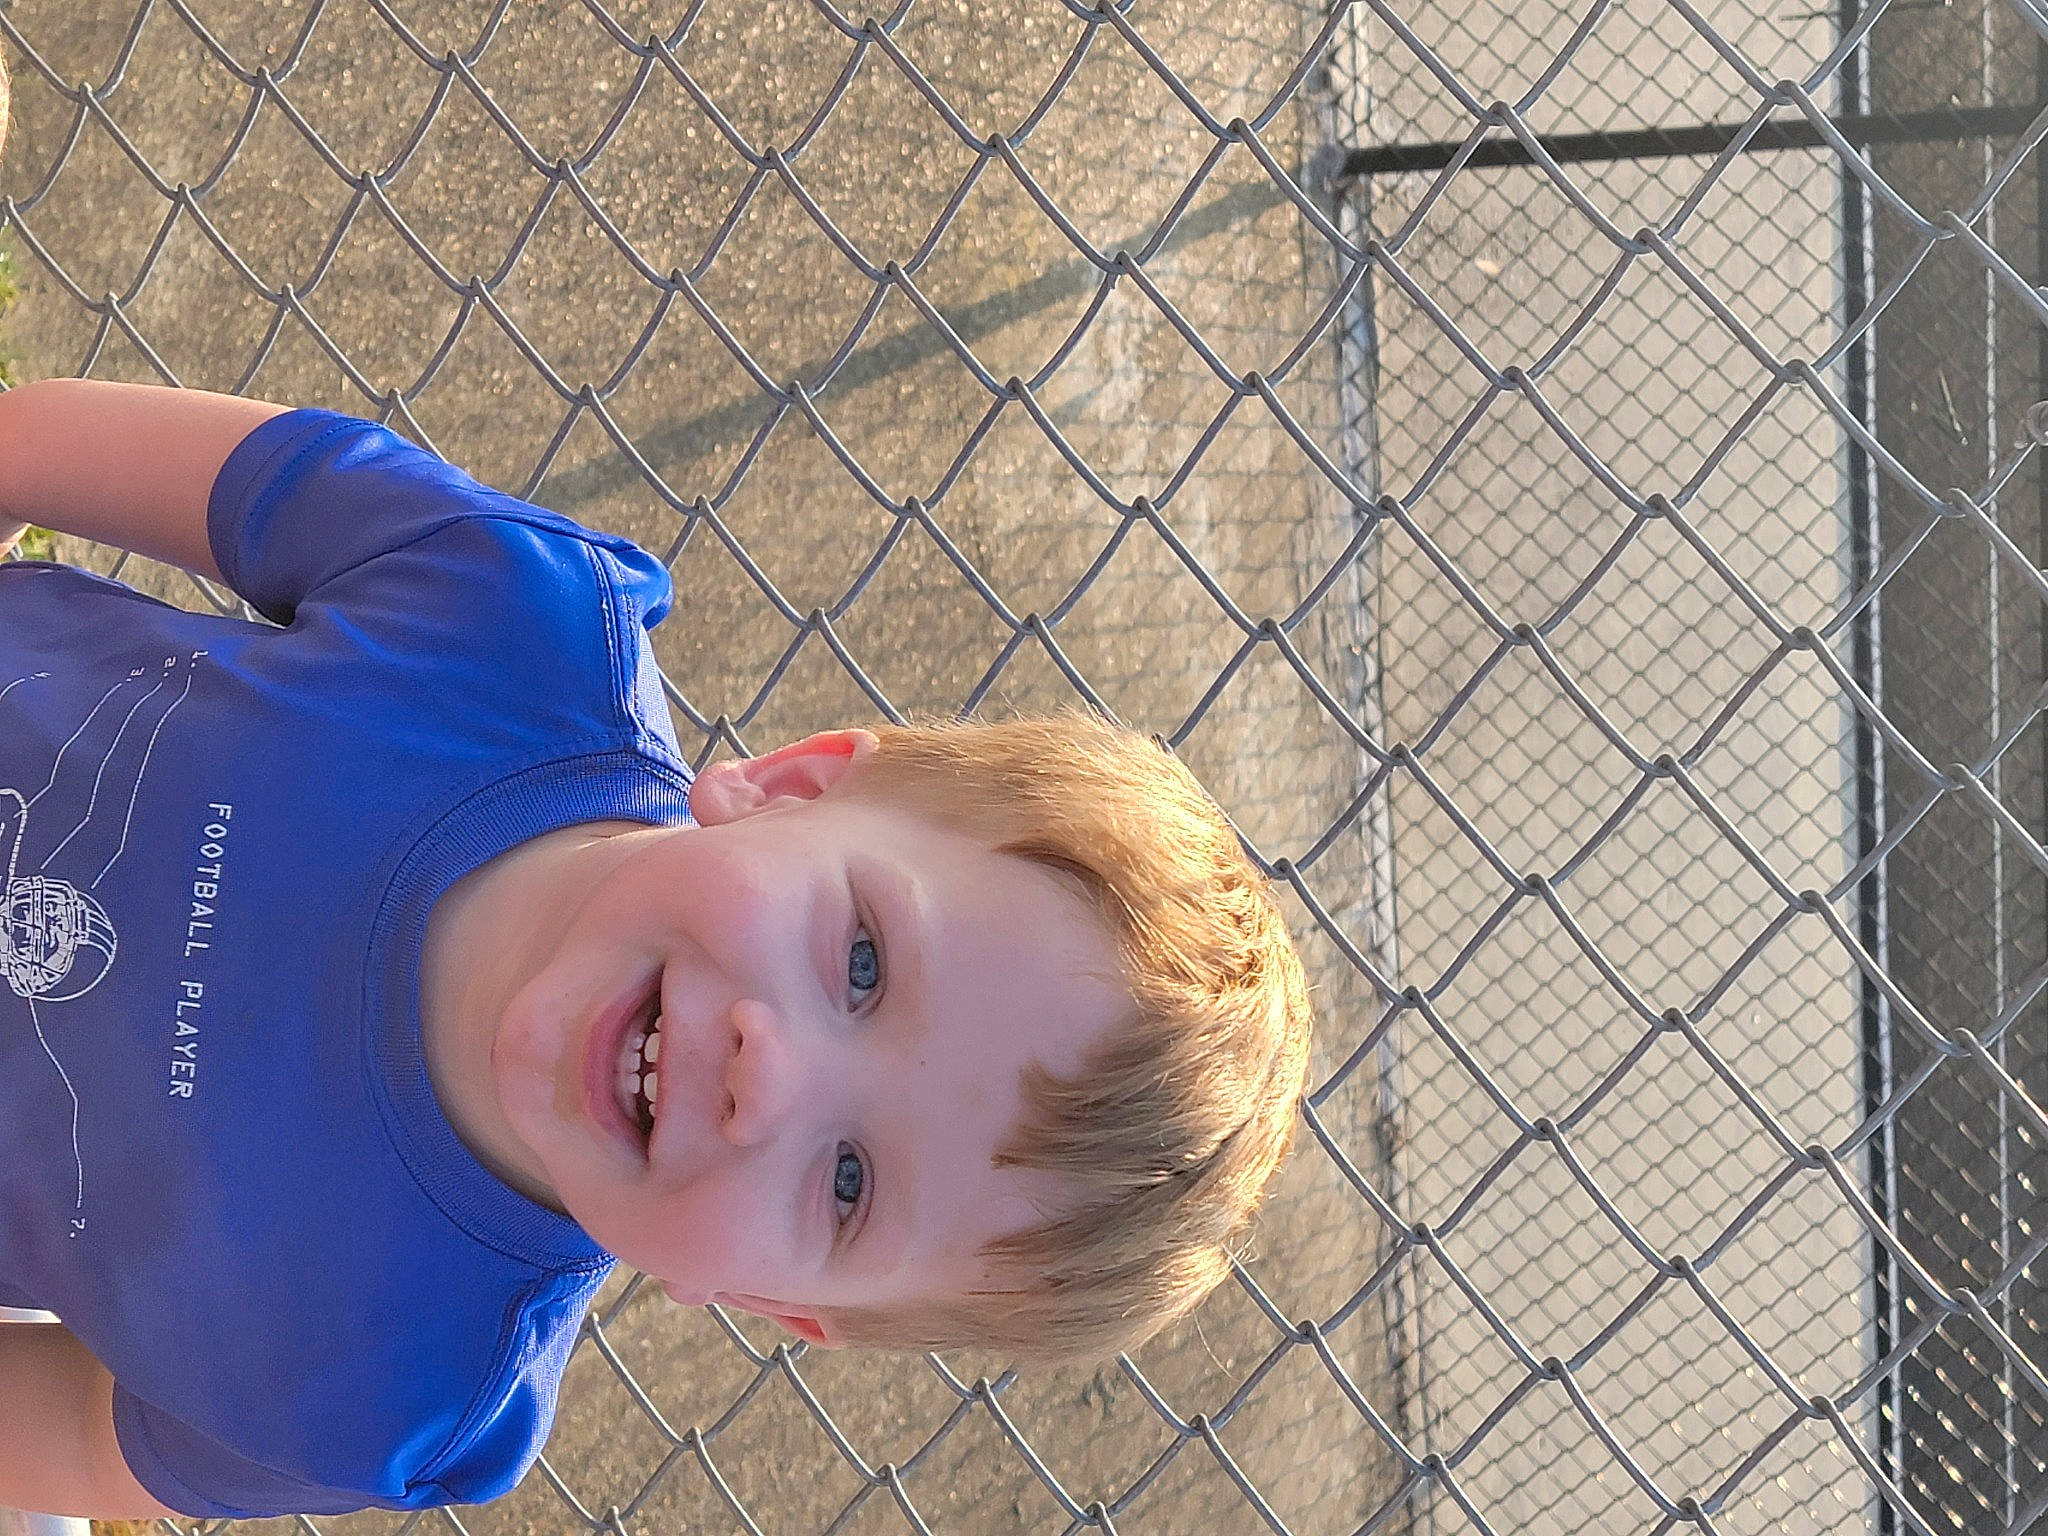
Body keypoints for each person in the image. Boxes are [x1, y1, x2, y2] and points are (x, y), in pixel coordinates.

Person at [0, 378, 1316, 1520]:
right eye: (863, 964)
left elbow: (69, 1433)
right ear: (794, 785)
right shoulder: (515, 626)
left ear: (763, 1300)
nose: (771, 1076)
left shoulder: (398, 1387)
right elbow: (40, 446)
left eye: (849, 1184)